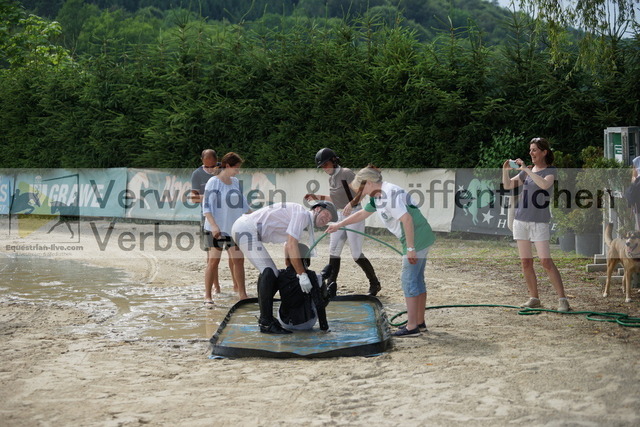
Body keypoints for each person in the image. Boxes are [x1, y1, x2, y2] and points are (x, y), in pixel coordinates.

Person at [326, 166, 436, 338]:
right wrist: (339, 224)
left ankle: (412, 327)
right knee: (416, 280)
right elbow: (362, 213)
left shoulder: (388, 194)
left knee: (409, 282)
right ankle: (419, 322)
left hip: (417, 237)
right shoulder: (377, 195)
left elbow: (407, 219)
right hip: (420, 235)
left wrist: (410, 248)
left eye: (361, 188)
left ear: (369, 183)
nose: (360, 193)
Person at [231, 201, 338, 333]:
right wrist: (302, 275)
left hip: (245, 228)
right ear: (317, 209)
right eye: (326, 214)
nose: (326, 219)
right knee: (269, 272)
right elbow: (292, 245)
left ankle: (266, 317)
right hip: (246, 229)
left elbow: (287, 244)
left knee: (271, 273)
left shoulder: (302, 220)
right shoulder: (302, 214)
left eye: (329, 219)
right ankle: (266, 322)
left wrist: (289, 268)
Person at [502, 137, 571, 312]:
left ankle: (562, 299)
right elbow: (508, 185)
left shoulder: (550, 170)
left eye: (534, 150)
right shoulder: (527, 172)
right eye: (530, 150)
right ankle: (534, 298)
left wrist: (526, 169)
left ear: (544, 152)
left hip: (539, 222)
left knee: (546, 261)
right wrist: (505, 170)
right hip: (521, 220)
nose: (531, 153)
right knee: (526, 262)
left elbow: (544, 185)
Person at [305, 148, 381, 296]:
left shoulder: (346, 173)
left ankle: (374, 283)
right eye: (322, 166)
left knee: (356, 253)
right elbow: (336, 199)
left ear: (334, 161)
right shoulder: (331, 178)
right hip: (339, 214)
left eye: (326, 164)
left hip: (354, 214)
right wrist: (317, 196)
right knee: (334, 251)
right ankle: (331, 285)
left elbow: (362, 191)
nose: (324, 168)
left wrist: (352, 203)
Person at [202, 152, 250, 305]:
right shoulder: (213, 182)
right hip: (215, 229)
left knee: (239, 260)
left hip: (234, 229)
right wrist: (214, 226)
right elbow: (206, 208)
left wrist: (260, 216)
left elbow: (244, 205)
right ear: (228, 166)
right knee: (213, 262)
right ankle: (208, 296)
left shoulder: (235, 182)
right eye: (236, 168)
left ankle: (242, 294)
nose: (238, 171)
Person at [257, 243, 332, 334]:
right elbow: (319, 305)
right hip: (306, 324)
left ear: (287, 260)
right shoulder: (311, 275)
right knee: (318, 282)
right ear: (307, 261)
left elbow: (266, 296)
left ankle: (323, 277)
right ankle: (326, 286)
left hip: (284, 322)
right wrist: (324, 329)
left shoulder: (280, 274)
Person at [189, 149, 222, 305]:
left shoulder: (224, 169)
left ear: (217, 161)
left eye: (212, 166)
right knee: (211, 255)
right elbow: (193, 198)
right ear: (202, 161)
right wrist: (209, 197)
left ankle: (237, 287)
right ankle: (216, 286)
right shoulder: (197, 174)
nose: (209, 169)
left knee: (234, 254)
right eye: (207, 166)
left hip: (226, 215)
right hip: (207, 216)